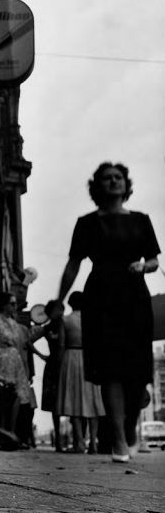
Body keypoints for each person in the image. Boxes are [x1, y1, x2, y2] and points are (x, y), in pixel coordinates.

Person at [58, 162, 160, 463]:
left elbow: (154, 260)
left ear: (125, 184)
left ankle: (129, 425)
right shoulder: (87, 223)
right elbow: (74, 264)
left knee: (137, 371)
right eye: (106, 178)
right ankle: (117, 437)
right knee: (110, 369)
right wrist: (58, 299)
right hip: (101, 296)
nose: (113, 182)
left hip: (134, 295)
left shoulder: (141, 220)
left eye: (118, 177)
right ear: (97, 186)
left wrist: (144, 266)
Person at [0, 292, 45, 447]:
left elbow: (26, 340)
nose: (15, 307)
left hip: (16, 361)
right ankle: (2, 434)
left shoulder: (14, 323)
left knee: (20, 398)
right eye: (12, 304)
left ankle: (12, 434)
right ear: (4, 305)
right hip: (3, 359)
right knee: (5, 395)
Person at [55, 291, 105, 455]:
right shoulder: (93, 319)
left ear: (70, 303)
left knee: (73, 401)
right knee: (93, 401)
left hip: (71, 358)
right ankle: (94, 444)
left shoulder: (66, 320)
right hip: (90, 357)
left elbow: (61, 344)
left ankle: (80, 444)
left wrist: (59, 364)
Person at [39, 300, 66, 452]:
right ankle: (59, 440)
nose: (61, 312)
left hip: (59, 364)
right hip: (56, 365)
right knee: (55, 404)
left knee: (62, 403)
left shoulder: (61, 324)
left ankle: (66, 440)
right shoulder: (49, 327)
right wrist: (43, 356)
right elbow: (30, 341)